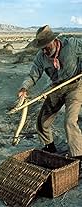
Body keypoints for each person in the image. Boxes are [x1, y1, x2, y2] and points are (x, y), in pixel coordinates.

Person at [18, 25, 82, 159]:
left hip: (75, 86)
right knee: (42, 122)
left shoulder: (71, 44)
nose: (45, 50)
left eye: (47, 46)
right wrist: (24, 88)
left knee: (70, 121)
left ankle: (78, 157)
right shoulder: (41, 57)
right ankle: (50, 148)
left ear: (54, 40)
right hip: (56, 88)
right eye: (42, 47)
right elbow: (33, 75)